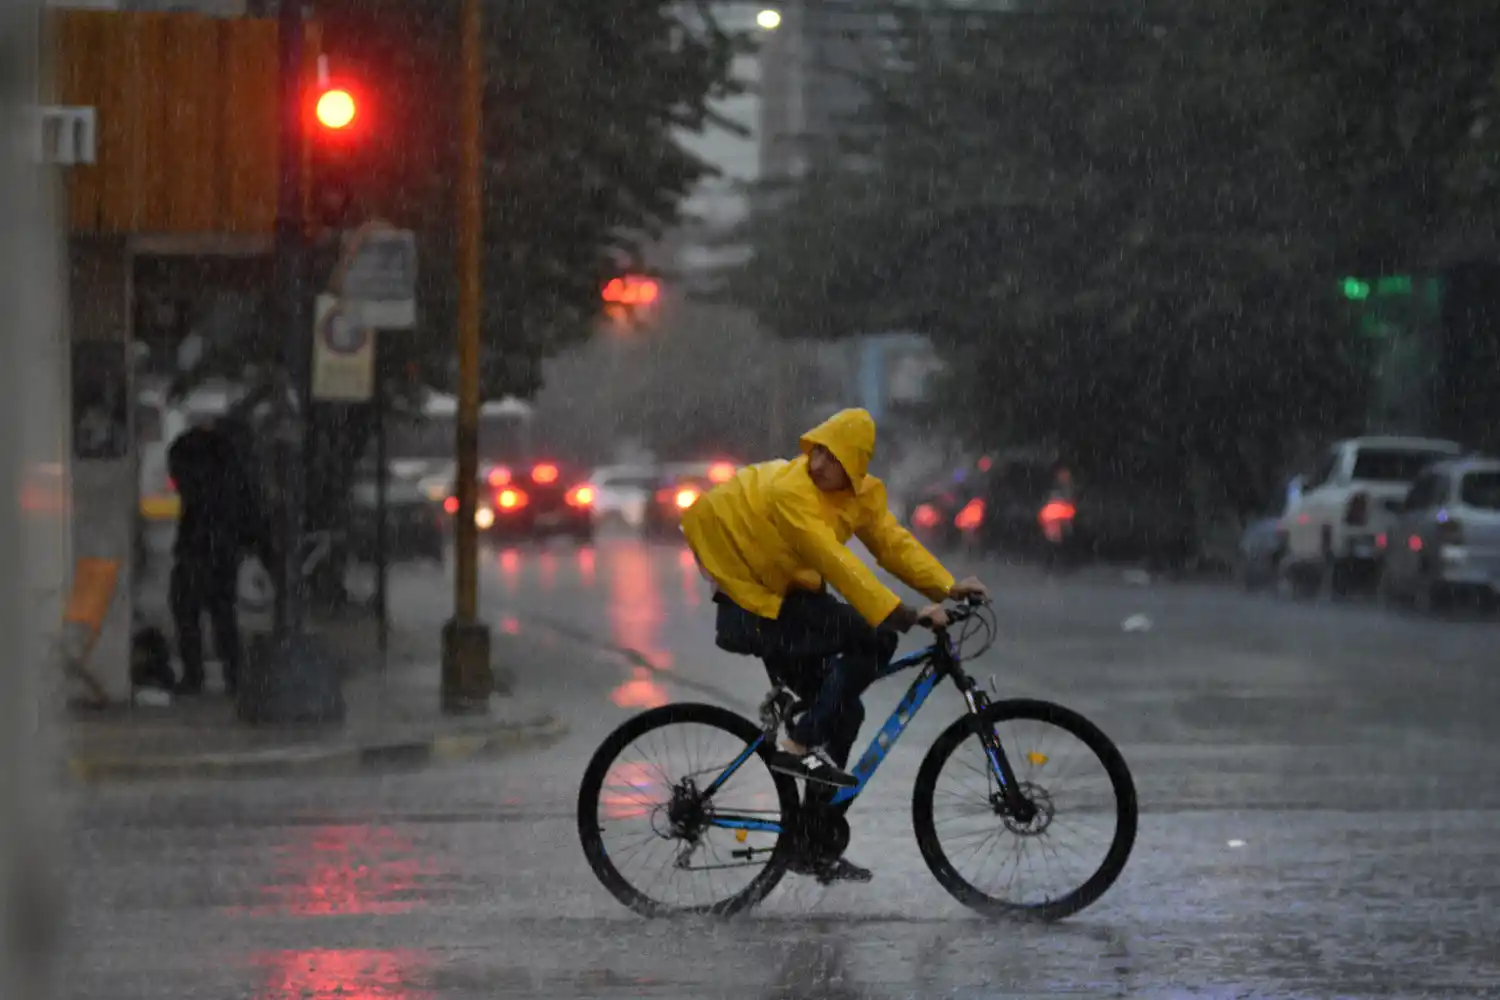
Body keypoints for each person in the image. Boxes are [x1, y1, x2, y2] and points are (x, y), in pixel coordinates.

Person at [681, 408, 989, 882]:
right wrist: (907, 614)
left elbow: (891, 543)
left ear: (854, 466)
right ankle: (800, 741)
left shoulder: (860, 495)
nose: (819, 463)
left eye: (833, 457)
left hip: (781, 599)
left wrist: (947, 587)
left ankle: (810, 841)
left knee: (845, 712)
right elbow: (837, 564)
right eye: (817, 451)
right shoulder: (792, 490)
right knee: (877, 635)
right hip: (754, 607)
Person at [166, 416, 273, 697]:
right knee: (221, 614)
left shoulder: (199, 461)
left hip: (199, 548)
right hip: (221, 550)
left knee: (189, 610)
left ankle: (197, 675)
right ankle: (231, 675)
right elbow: (250, 514)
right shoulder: (234, 469)